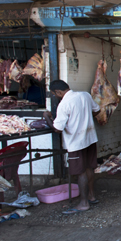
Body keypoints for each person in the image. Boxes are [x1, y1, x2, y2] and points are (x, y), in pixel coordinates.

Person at [43, 80, 101, 214]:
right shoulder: (85, 95)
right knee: (89, 168)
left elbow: (57, 128)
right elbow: (97, 111)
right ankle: (91, 196)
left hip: (76, 142)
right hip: (90, 138)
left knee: (80, 172)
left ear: (58, 92)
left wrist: (47, 117)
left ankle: (83, 203)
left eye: (54, 94)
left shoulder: (64, 104)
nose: (55, 96)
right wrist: (84, 119)